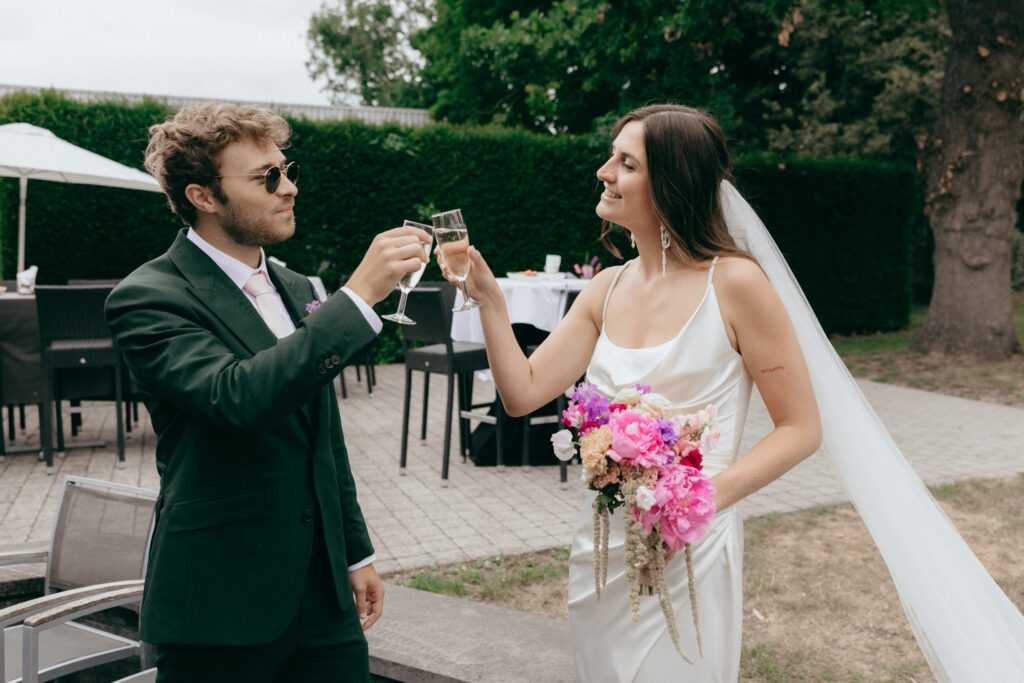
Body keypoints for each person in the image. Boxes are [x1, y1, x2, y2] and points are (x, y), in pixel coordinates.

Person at [444, 103, 1024, 680]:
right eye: (611, 158)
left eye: (627, 163)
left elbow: (802, 429)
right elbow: (521, 394)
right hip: (604, 547)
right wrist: (490, 301)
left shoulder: (736, 283)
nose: (604, 172)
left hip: (691, 544)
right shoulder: (604, 288)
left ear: (672, 185)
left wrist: (693, 503)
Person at [105, 102, 430, 682]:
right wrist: (357, 297)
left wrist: (355, 553)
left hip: (323, 595)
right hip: (220, 599)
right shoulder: (148, 296)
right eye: (267, 177)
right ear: (203, 196)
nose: (289, 188)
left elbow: (323, 438)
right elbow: (236, 398)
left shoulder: (296, 285)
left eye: (289, 170)